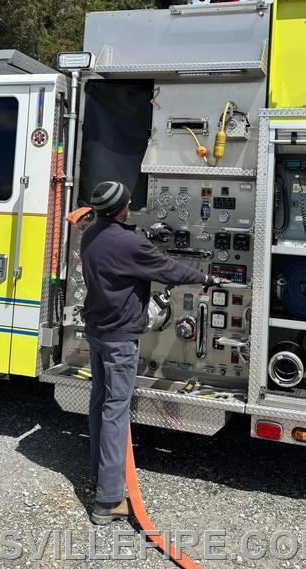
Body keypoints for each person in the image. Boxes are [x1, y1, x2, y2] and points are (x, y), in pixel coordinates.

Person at [81, 180, 218, 524]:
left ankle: (101, 476)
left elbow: (126, 248)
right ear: (123, 208)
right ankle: (108, 500)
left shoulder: (90, 235)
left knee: (100, 403)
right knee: (116, 410)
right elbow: (168, 269)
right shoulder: (129, 244)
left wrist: (144, 236)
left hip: (97, 331)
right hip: (120, 338)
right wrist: (206, 279)